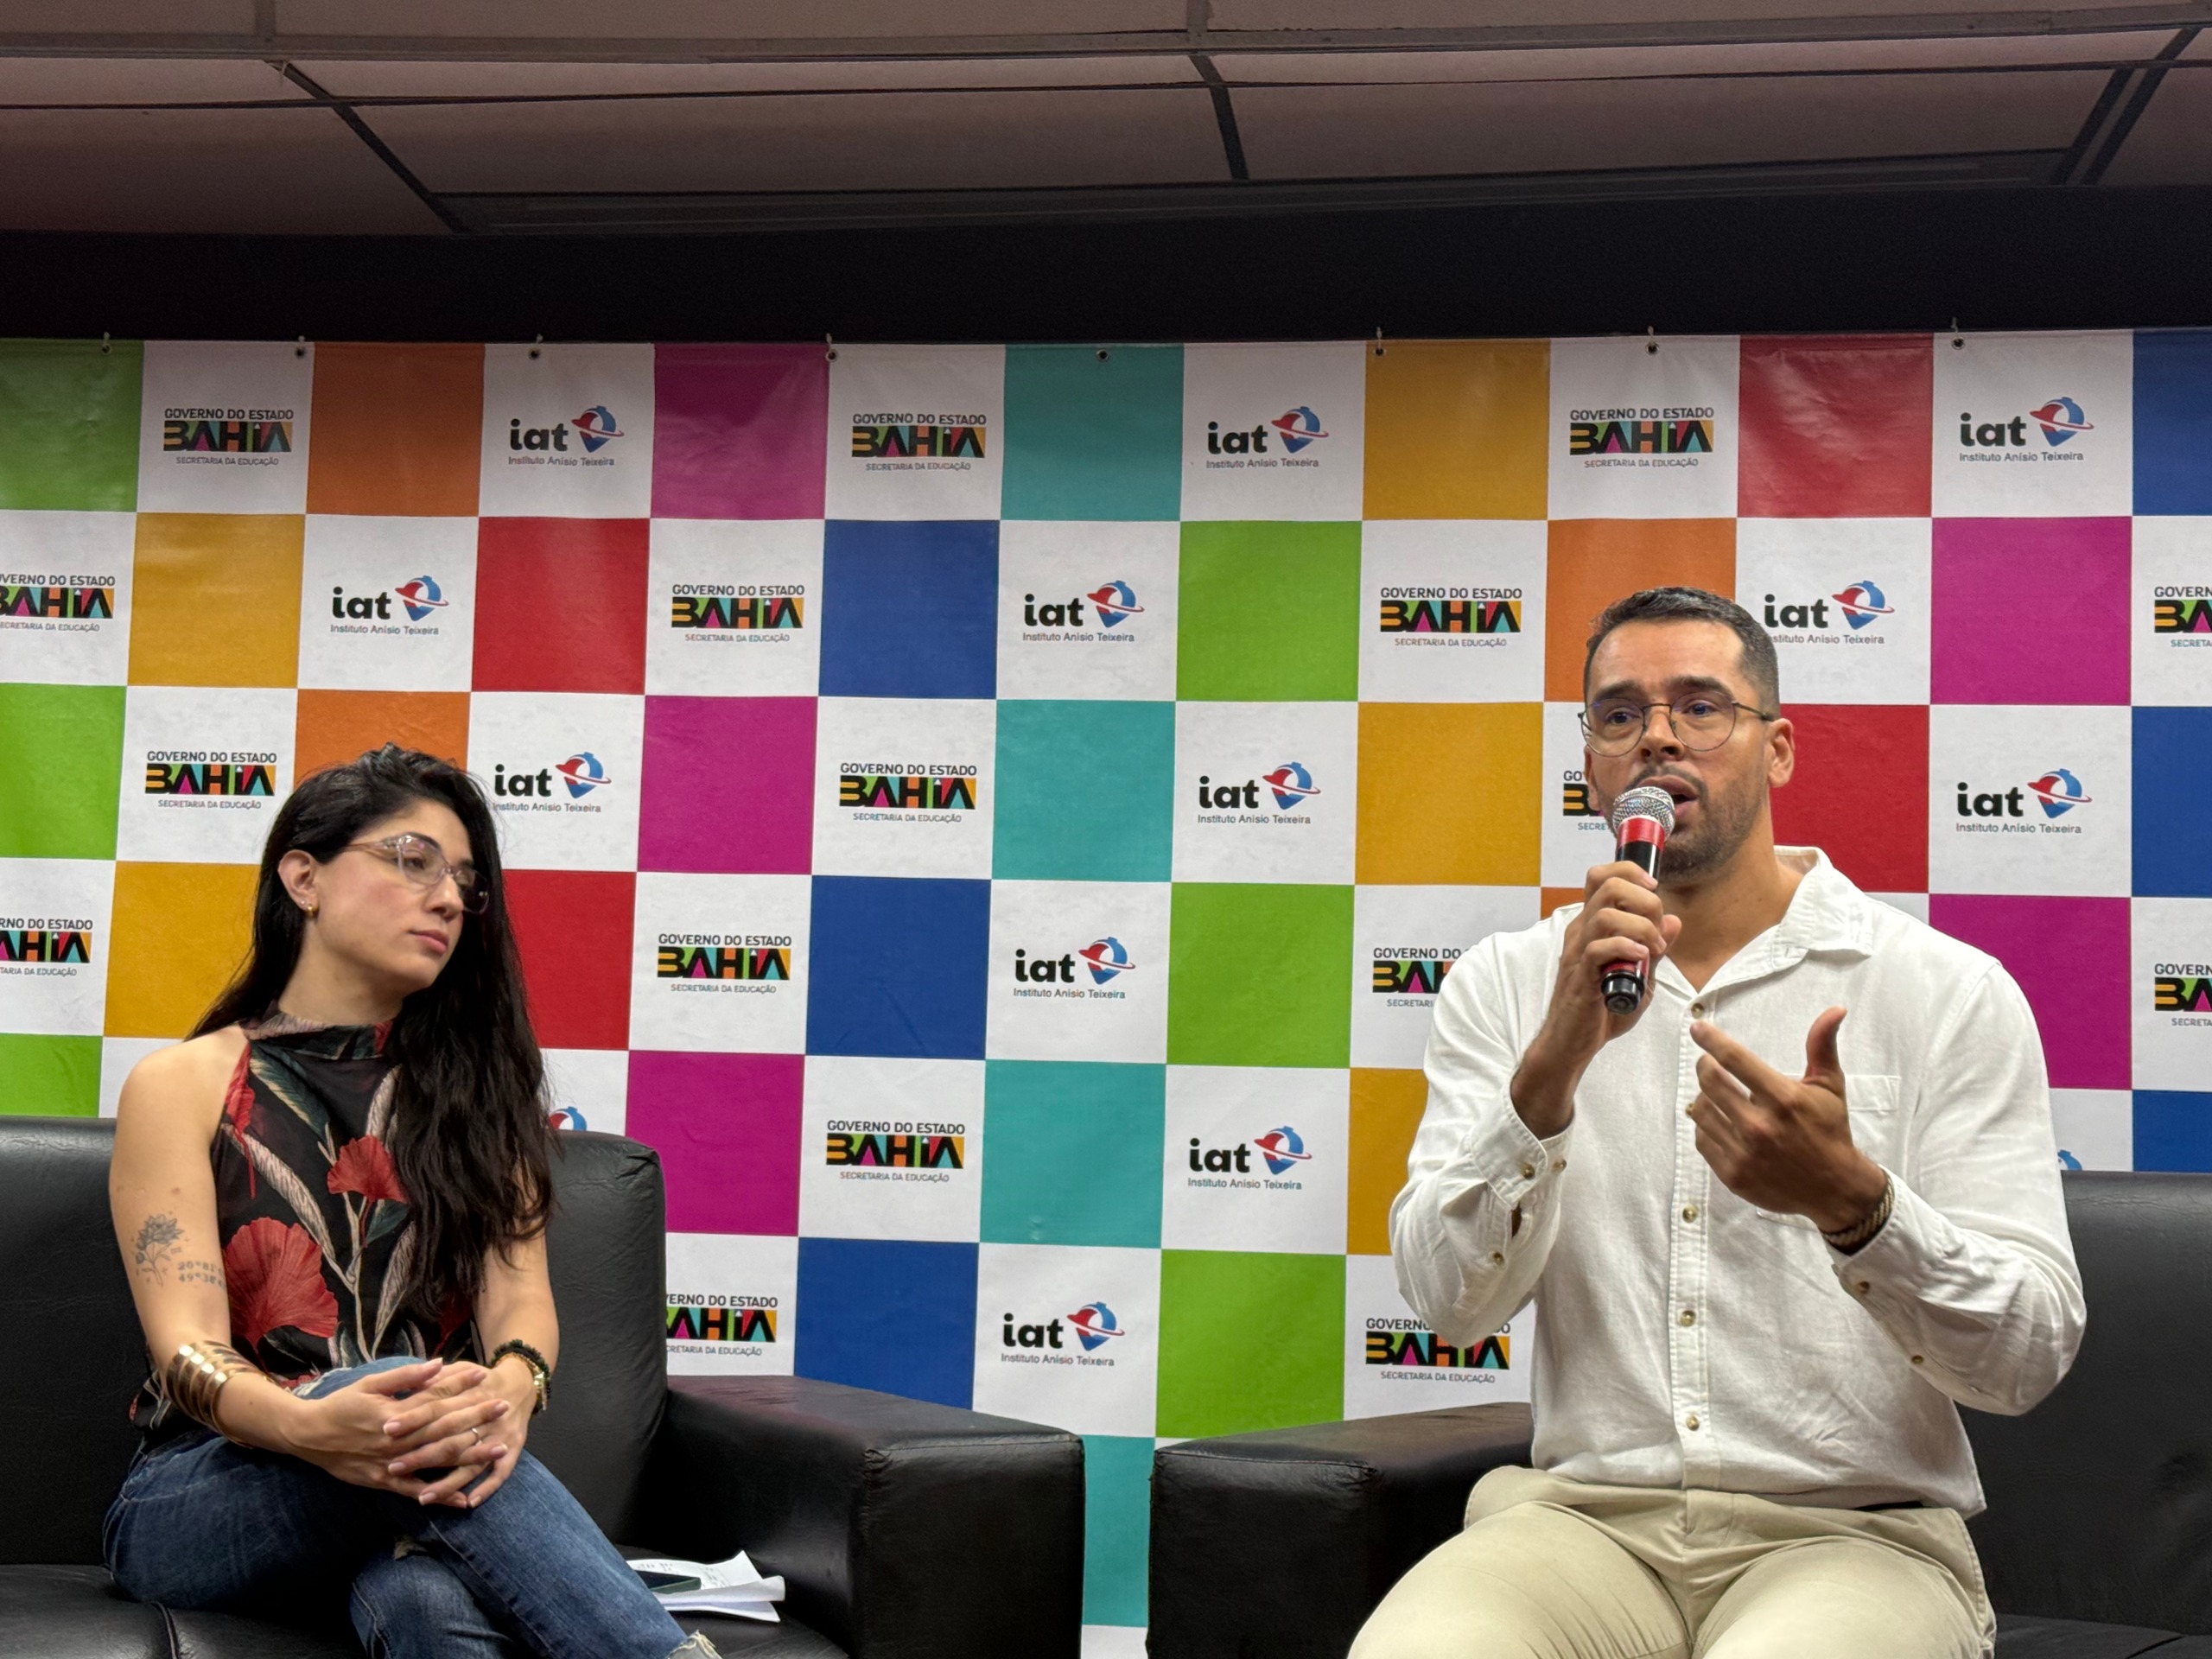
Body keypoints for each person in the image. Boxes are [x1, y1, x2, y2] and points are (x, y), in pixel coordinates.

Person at [1356, 588, 2083, 1659]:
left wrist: (1856, 1207)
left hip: (1849, 1537)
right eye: (1620, 714)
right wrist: (1547, 1075)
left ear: (1776, 749)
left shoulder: (1942, 989)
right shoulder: (1506, 984)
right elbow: (1447, 1305)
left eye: (1700, 707)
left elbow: (2026, 1357)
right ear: (1591, 764)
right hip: (1582, 1528)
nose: (1657, 736)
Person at [103, 744, 718, 1659]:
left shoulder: (480, 1099)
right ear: (304, 879)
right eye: (412, 860)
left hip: (421, 1487)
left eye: (465, 883)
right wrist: (313, 1427)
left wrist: (512, 1389)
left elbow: (521, 1307)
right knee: (388, 1399)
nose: (447, 900)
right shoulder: (184, 1082)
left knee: (424, 1603)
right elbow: (187, 1349)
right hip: (210, 1493)